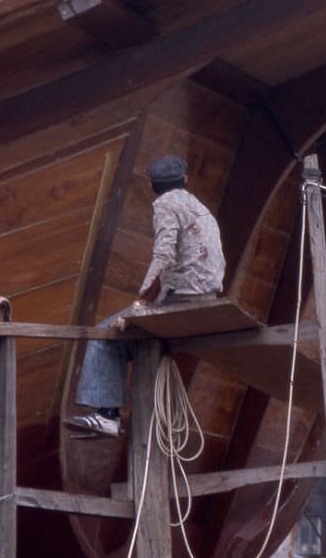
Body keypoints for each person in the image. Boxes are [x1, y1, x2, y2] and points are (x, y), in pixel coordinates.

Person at [64, 155, 225, 437]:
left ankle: (107, 415)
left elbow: (164, 256)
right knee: (125, 341)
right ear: (186, 179)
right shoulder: (200, 208)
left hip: (181, 297)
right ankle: (109, 411)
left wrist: (141, 303)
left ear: (153, 185)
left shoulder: (165, 204)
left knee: (104, 336)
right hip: (208, 295)